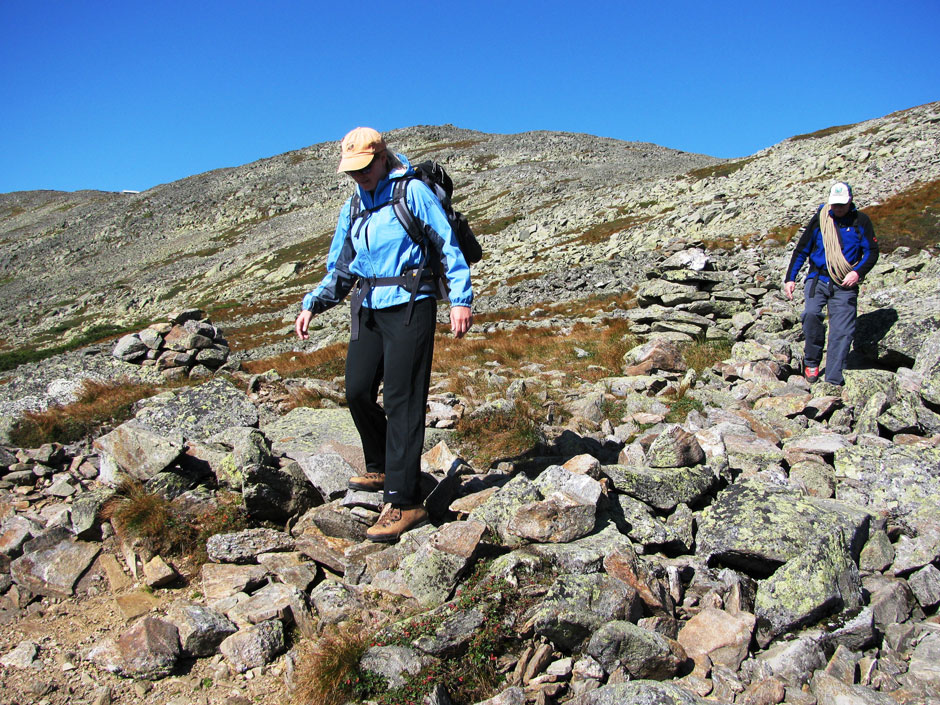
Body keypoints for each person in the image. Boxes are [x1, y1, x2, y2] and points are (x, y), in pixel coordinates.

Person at [295, 127, 473, 542]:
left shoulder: (412, 193)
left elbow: (448, 246)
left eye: (365, 168)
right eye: (352, 170)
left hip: (412, 302)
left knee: (401, 398)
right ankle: (380, 467)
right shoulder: (353, 206)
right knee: (357, 390)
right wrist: (311, 303)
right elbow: (341, 268)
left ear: (381, 157)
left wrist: (460, 299)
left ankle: (405, 501)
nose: (359, 176)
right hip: (369, 305)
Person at [783, 182, 878, 386]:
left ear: (850, 201)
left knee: (841, 330)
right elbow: (801, 250)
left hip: (845, 282)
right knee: (810, 315)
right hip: (818, 278)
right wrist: (790, 278)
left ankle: (833, 379)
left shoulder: (861, 221)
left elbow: (871, 252)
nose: (838, 208)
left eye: (842, 204)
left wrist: (857, 272)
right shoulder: (820, 219)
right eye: (834, 204)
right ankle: (811, 361)